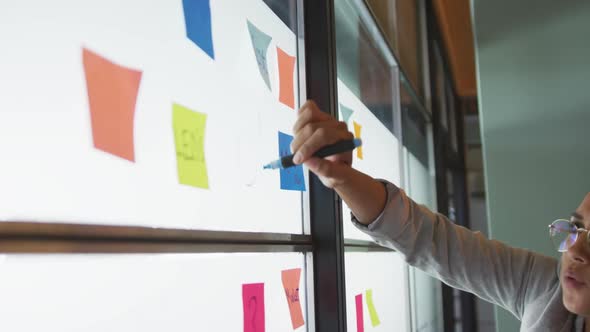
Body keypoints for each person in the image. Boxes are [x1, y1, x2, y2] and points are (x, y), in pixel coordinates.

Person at [291, 100, 590, 332]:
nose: (574, 250)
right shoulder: (547, 289)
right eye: (576, 228)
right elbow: (428, 239)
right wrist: (343, 177)